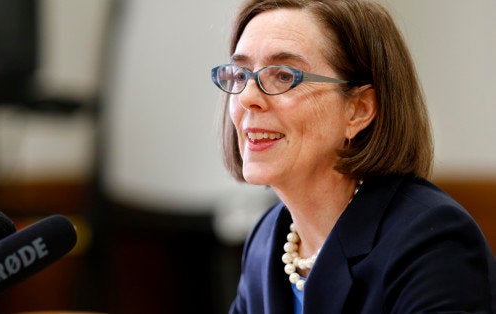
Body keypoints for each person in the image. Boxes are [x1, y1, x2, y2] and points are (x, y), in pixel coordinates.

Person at [210, 0, 496, 313]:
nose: (248, 98)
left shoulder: (432, 242)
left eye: (283, 76)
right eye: (240, 75)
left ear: (358, 110)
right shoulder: (267, 238)